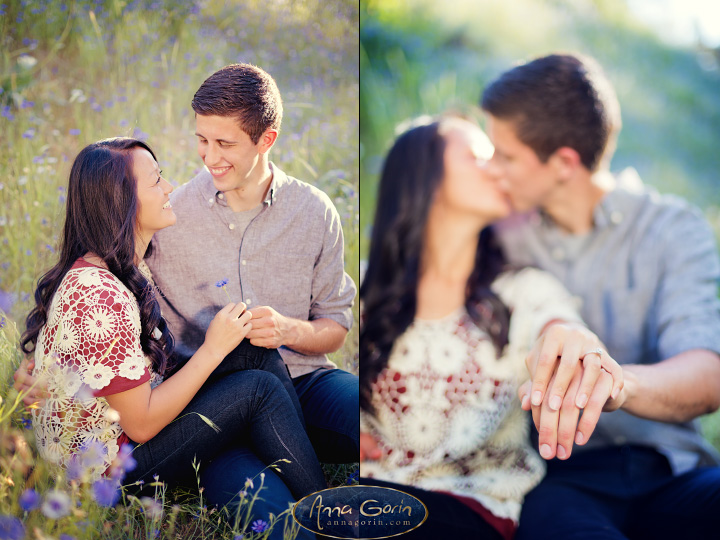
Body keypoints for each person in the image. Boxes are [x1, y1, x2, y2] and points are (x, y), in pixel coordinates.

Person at [17, 138, 326, 538]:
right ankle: (327, 510)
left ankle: (290, 460)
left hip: (127, 432)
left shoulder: (115, 267)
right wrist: (212, 349)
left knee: (254, 352)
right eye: (157, 180)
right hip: (110, 471)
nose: (169, 188)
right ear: (121, 203)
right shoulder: (99, 295)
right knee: (258, 390)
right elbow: (142, 425)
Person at [481, 53, 720, 539]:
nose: (493, 169)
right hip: (562, 480)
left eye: (505, 155)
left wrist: (618, 383)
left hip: (672, 470)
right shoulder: (501, 236)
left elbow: (709, 374)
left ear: (564, 163)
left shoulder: (673, 228)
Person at [359, 115, 624, 540]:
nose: (498, 169)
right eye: (479, 157)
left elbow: (557, 326)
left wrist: (571, 340)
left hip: (471, 507)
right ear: (426, 176)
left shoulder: (521, 291)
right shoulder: (363, 287)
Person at [142, 63, 358, 518]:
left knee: (387, 418)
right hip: (216, 409)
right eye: (202, 139)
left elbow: (335, 328)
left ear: (267, 139)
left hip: (305, 384)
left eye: (225, 143)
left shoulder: (314, 212)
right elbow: (102, 281)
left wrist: (287, 330)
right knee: (275, 519)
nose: (209, 156)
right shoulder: (171, 217)